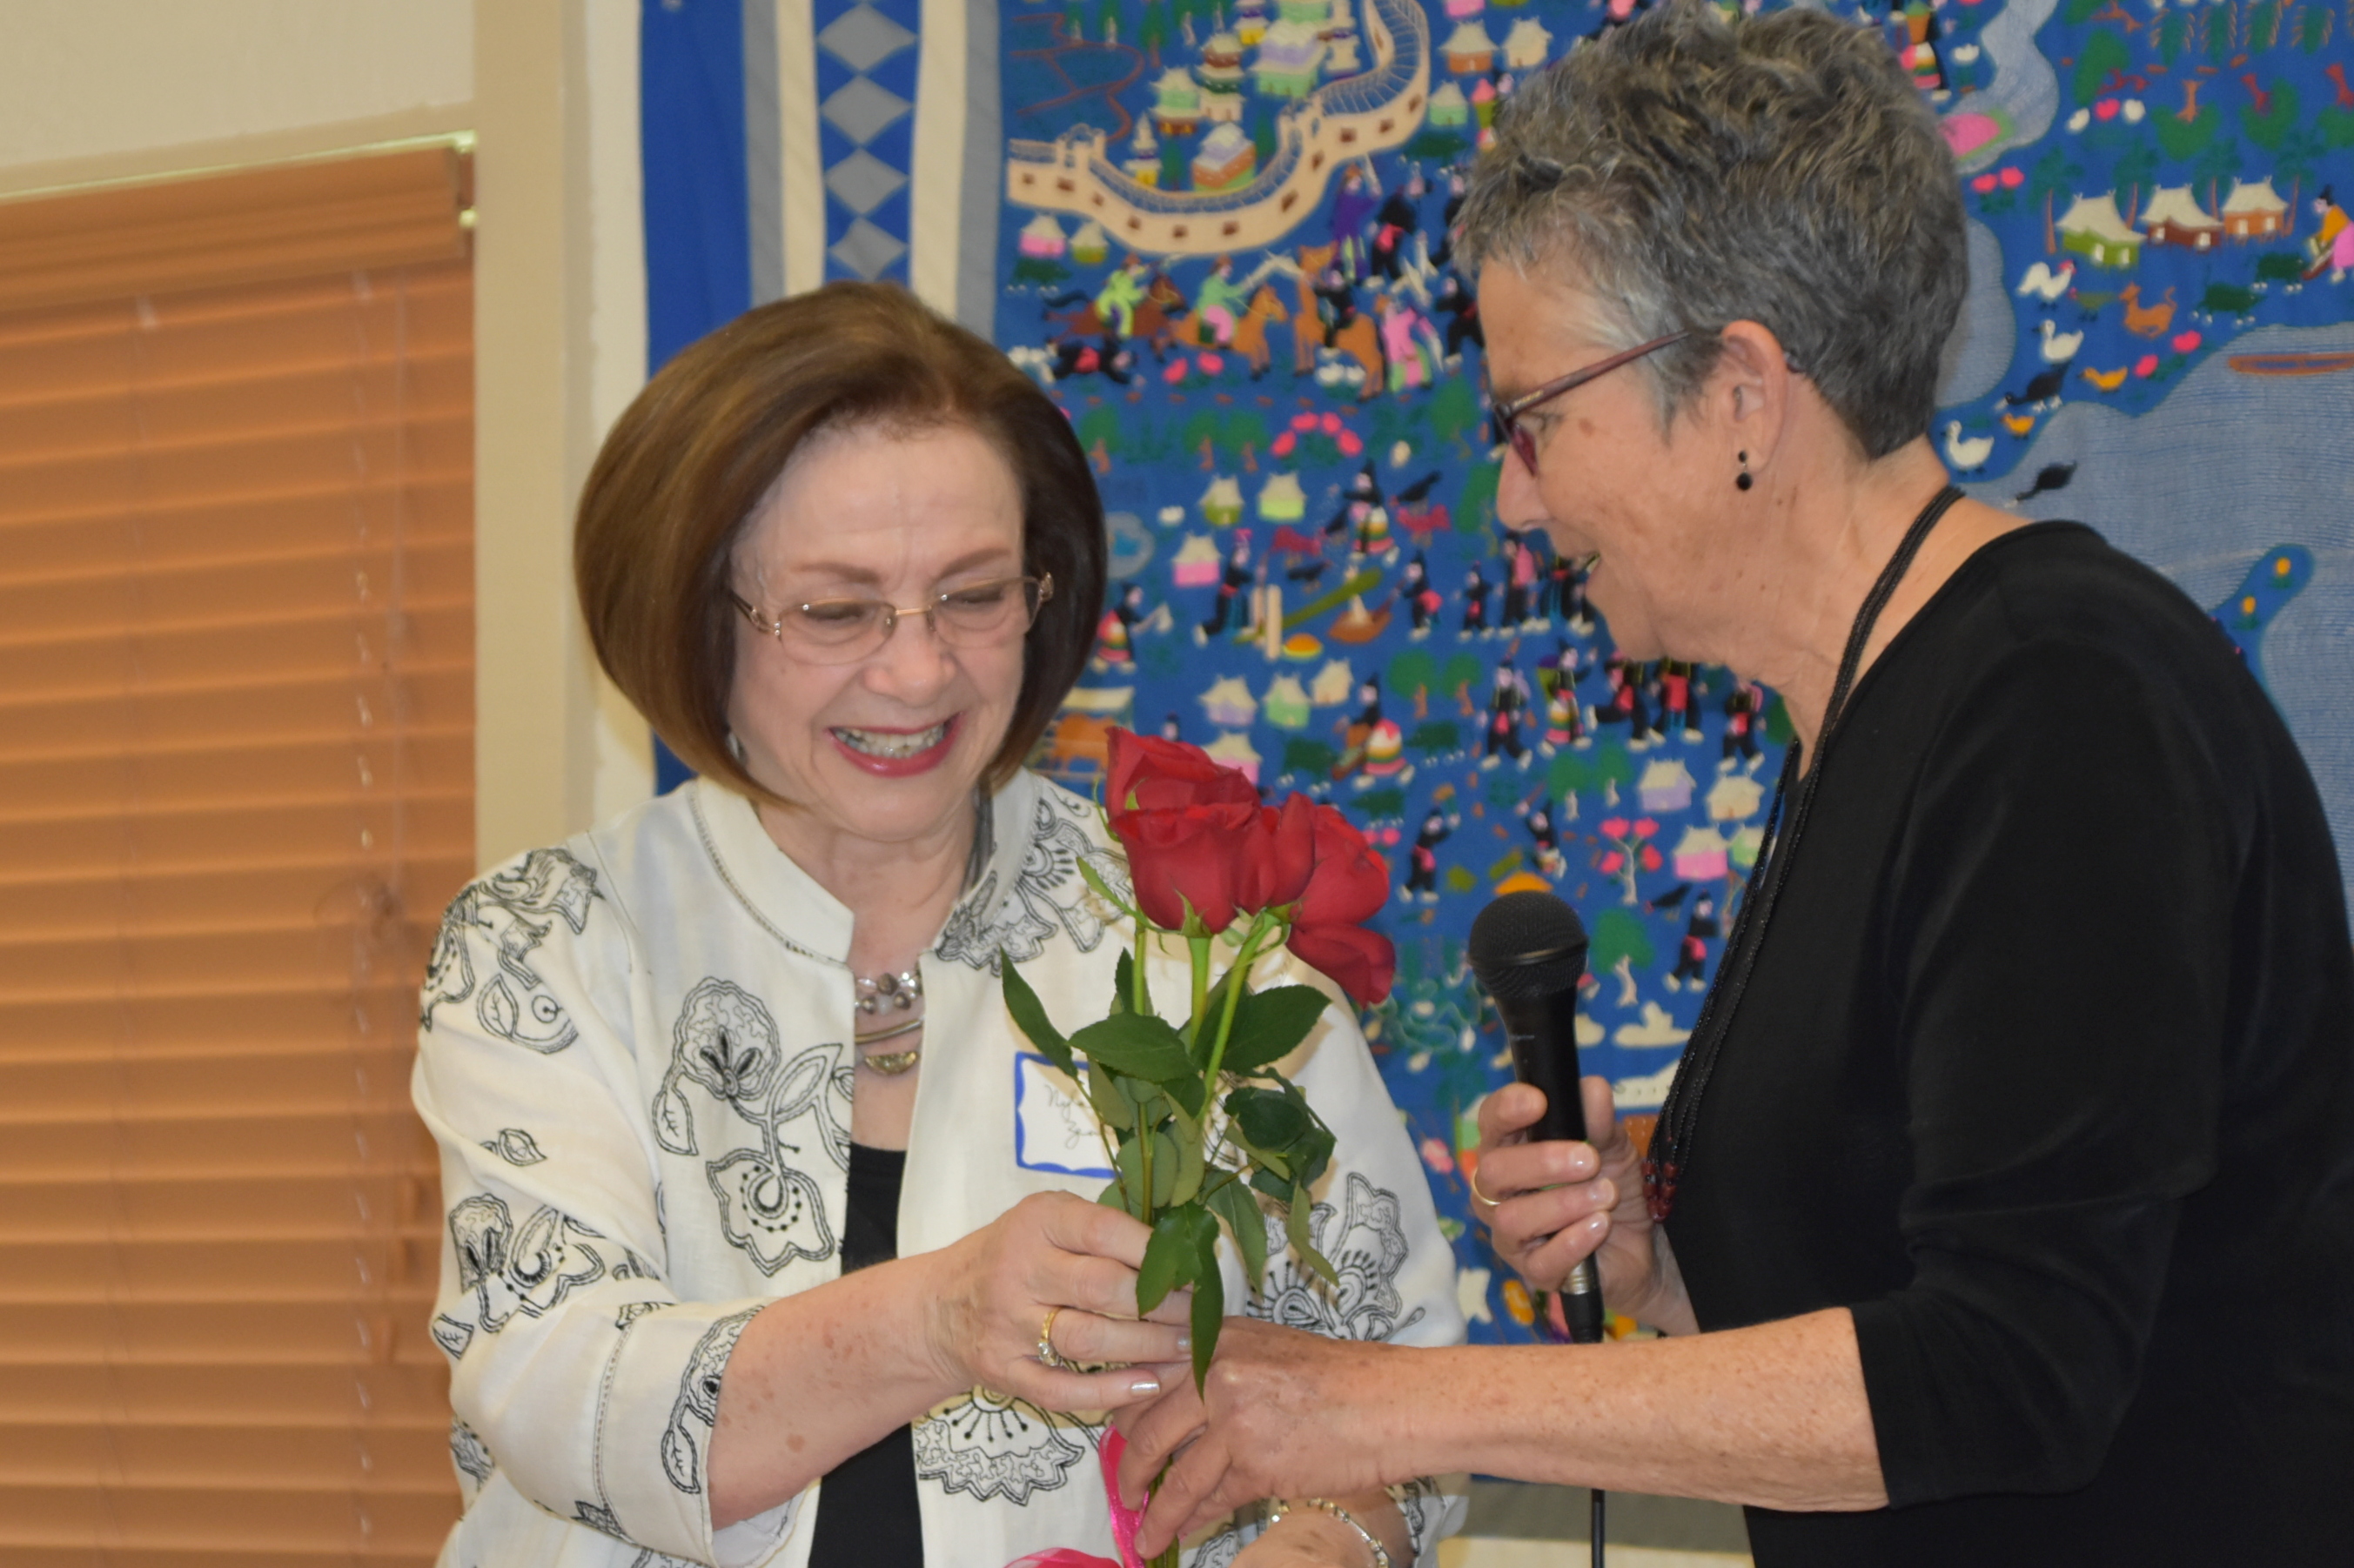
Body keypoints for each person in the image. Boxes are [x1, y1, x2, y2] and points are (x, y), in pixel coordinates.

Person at [1110, 7, 2354, 1565]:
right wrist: (1660, 1269)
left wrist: (1390, 1406)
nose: (1513, 498)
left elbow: (2009, 1379)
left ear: (1742, 394)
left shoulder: (2055, 699)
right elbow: (1895, 1331)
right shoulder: (1875, 713)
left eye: (1533, 421)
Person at [412, 283, 1465, 1568]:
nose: (917, 672)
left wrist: (1324, 1545)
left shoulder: (1189, 933)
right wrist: (940, 1318)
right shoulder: (552, 942)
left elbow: (1400, 1397)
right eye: (835, 610)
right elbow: (560, 1395)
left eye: (972, 596)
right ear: (697, 616)